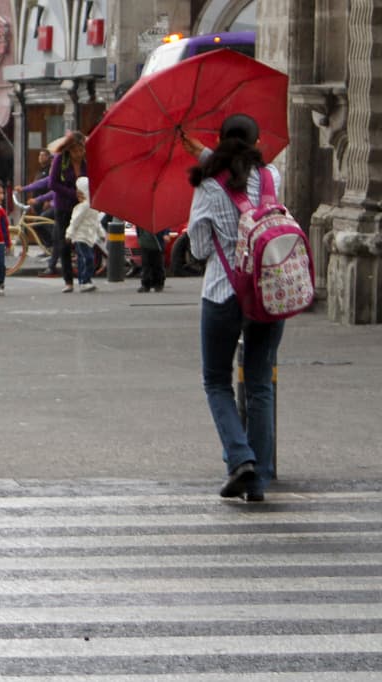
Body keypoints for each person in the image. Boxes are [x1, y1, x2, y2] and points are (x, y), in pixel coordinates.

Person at [185, 114, 285, 503]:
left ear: (220, 140)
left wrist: (205, 157)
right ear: (258, 142)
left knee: (216, 381)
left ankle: (240, 459)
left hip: (222, 293)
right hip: (269, 292)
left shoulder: (208, 187)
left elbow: (199, 249)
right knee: (259, 384)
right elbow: (247, 178)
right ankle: (257, 482)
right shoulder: (273, 177)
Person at [49, 131, 88, 293]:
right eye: (75, 151)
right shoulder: (61, 160)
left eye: (81, 150)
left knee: (83, 241)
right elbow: (53, 183)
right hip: (64, 207)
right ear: (69, 150)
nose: (79, 154)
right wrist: (73, 194)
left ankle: (85, 279)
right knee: (65, 243)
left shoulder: (87, 161)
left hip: (83, 206)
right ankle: (68, 281)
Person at [65, 176, 103, 293]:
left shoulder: (91, 206)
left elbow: (96, 221)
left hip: (89, 237)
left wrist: (100, 233)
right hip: (81, 237)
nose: (78, 194)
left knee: (84, 259)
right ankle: (85, 281)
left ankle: (84, 281)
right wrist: (69, 234)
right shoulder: (84, 207)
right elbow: (75, 221)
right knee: (88, 258)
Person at [136, 227, 168, 293]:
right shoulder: (141, 223)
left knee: (157, 265)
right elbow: (138, 230)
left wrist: (166, 234)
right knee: (146, 265)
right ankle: (146, 284)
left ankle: (158, 284)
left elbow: (165, 227)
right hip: (146, 244)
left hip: (157, 245)